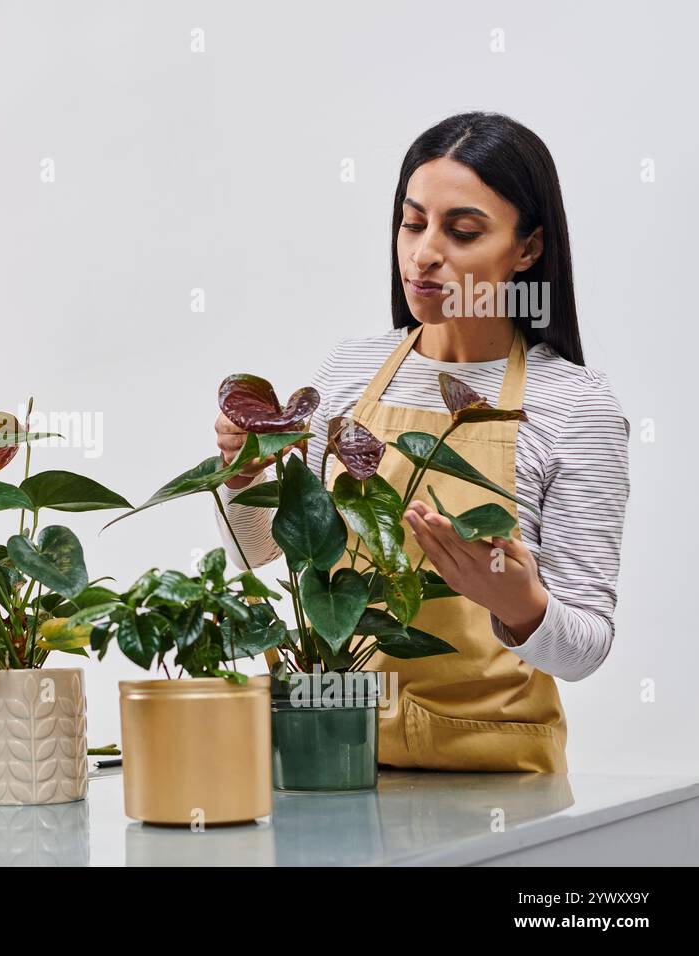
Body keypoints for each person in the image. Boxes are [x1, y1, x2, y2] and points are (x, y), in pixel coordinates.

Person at [213, 112, 630, 772]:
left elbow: (587, 647)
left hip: (493, 774)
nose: (423, 252)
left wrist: (520, 606)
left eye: (462, 231)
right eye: (412, 223)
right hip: (338, 754)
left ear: (527, 249)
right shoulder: (348, 373)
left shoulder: (575, 406)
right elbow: (261, 549)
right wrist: (241, 474)